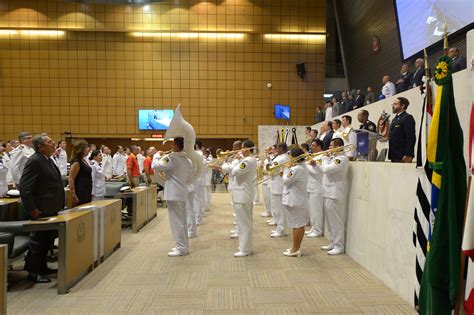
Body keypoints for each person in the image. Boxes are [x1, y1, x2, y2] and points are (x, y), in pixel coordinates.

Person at [19, 133, 65, 283]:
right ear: (40, 147)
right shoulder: (34, 161)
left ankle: (42, 267)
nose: (53, 144)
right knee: (38, 241)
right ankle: (33, 272)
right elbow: (25, 188)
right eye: (50, 142)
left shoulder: (47, 159)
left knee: (46, 240)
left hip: (51, 206)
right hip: (41, 208)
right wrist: (32, 208)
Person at [152, 137, 192, 257]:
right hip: (182, 192)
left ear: (176, 145)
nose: (171, 147)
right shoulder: (188, 160)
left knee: (176, 222)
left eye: (173, 144)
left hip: (173, 193)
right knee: (183, 221)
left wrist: (156, 156)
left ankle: (181, 248)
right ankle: (184, 245)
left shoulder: (171, 158)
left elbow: (155, 166)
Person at [316, 138, 349, 255]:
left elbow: (326, 169)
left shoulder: (341, 159)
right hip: (328, 192)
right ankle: (332, 242)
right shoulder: (333, 158)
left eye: (331, 146)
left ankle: (339, 246)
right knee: (330, 221)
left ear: (338, 147)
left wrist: (324, 159)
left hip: (335, 193)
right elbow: (324, 170)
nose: (329, 148)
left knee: (336, 221)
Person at [230, 140, 257, 257]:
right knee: (243, 223)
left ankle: (245, 249)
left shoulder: (248, 161)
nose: (240, 150)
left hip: (243, 195)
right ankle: (244, 246)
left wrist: (236, 160)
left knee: (244, 223)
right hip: (242, 194)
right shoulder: (245, 160)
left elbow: (235, 172)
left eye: (242, 148)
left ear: (246, 149)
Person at [281, 147, 309, 257]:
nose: (289, 159)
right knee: (297, 224)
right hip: (297, 199)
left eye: (290, 157)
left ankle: (296, 249)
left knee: (298, 225)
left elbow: (285, 180)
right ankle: (295, 247)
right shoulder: (301, 167)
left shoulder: (296, 169)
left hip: (295, 200)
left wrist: (286, 170)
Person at [222, 140, 243, 238]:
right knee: (236, 210)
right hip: (235, 185)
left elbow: (230, 169)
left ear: (240, 147)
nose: (233, 149)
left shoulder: (240, 158)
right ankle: (237, 229)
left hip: (238, 186)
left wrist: (225, 161)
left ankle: (239, 231)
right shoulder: (236, 158)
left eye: (235, 147)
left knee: (239, 211)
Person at [269, 142, 290, 238]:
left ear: (282, 148)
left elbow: (272, 167)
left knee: (280, 210)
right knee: (277, 209)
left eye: (278, 148)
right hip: (275, 184)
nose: (276, 149)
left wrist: (270, 168)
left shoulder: (284, 157)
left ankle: (281, 230)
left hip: (279, 185)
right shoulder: (279, 156)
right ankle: (279, 228)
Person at [388, 97, 416, 163]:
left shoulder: (407, 118)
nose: (393, 106)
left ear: (402, 106)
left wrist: (408, 154)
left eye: (395, 104)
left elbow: (411, 137)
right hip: (394, 155)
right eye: (393, 104)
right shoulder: (394, 119)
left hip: (403, 156)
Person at [307, 139, 324, 238]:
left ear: (319, 147)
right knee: (311, 210)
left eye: (313, 145)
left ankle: (318, 230)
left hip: (317, 187)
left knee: (316, 210)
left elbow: (317, 173)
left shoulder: (321, 156)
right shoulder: (313, 156)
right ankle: (313, 227)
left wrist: (305, 166)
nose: (311, 147)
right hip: (310, 186)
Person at [69, 139, 92, 206]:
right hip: (80, 191)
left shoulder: (83, 160)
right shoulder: (77, 162)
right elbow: (71, 178)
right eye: (87, 147)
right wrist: (73, 195)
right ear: (81, 149)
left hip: (87, 189)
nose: (89, 149)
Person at [260, 146, 273, 218]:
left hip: (268, 178)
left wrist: (268, 160)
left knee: (268, 197)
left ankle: (270, 211)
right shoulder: (266, 159)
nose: (265, 152)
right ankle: (268, 210)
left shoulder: (271, 158)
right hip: (264, 178)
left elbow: (270, 168)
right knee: (265, 197)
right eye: (265, 151)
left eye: (267, 150)